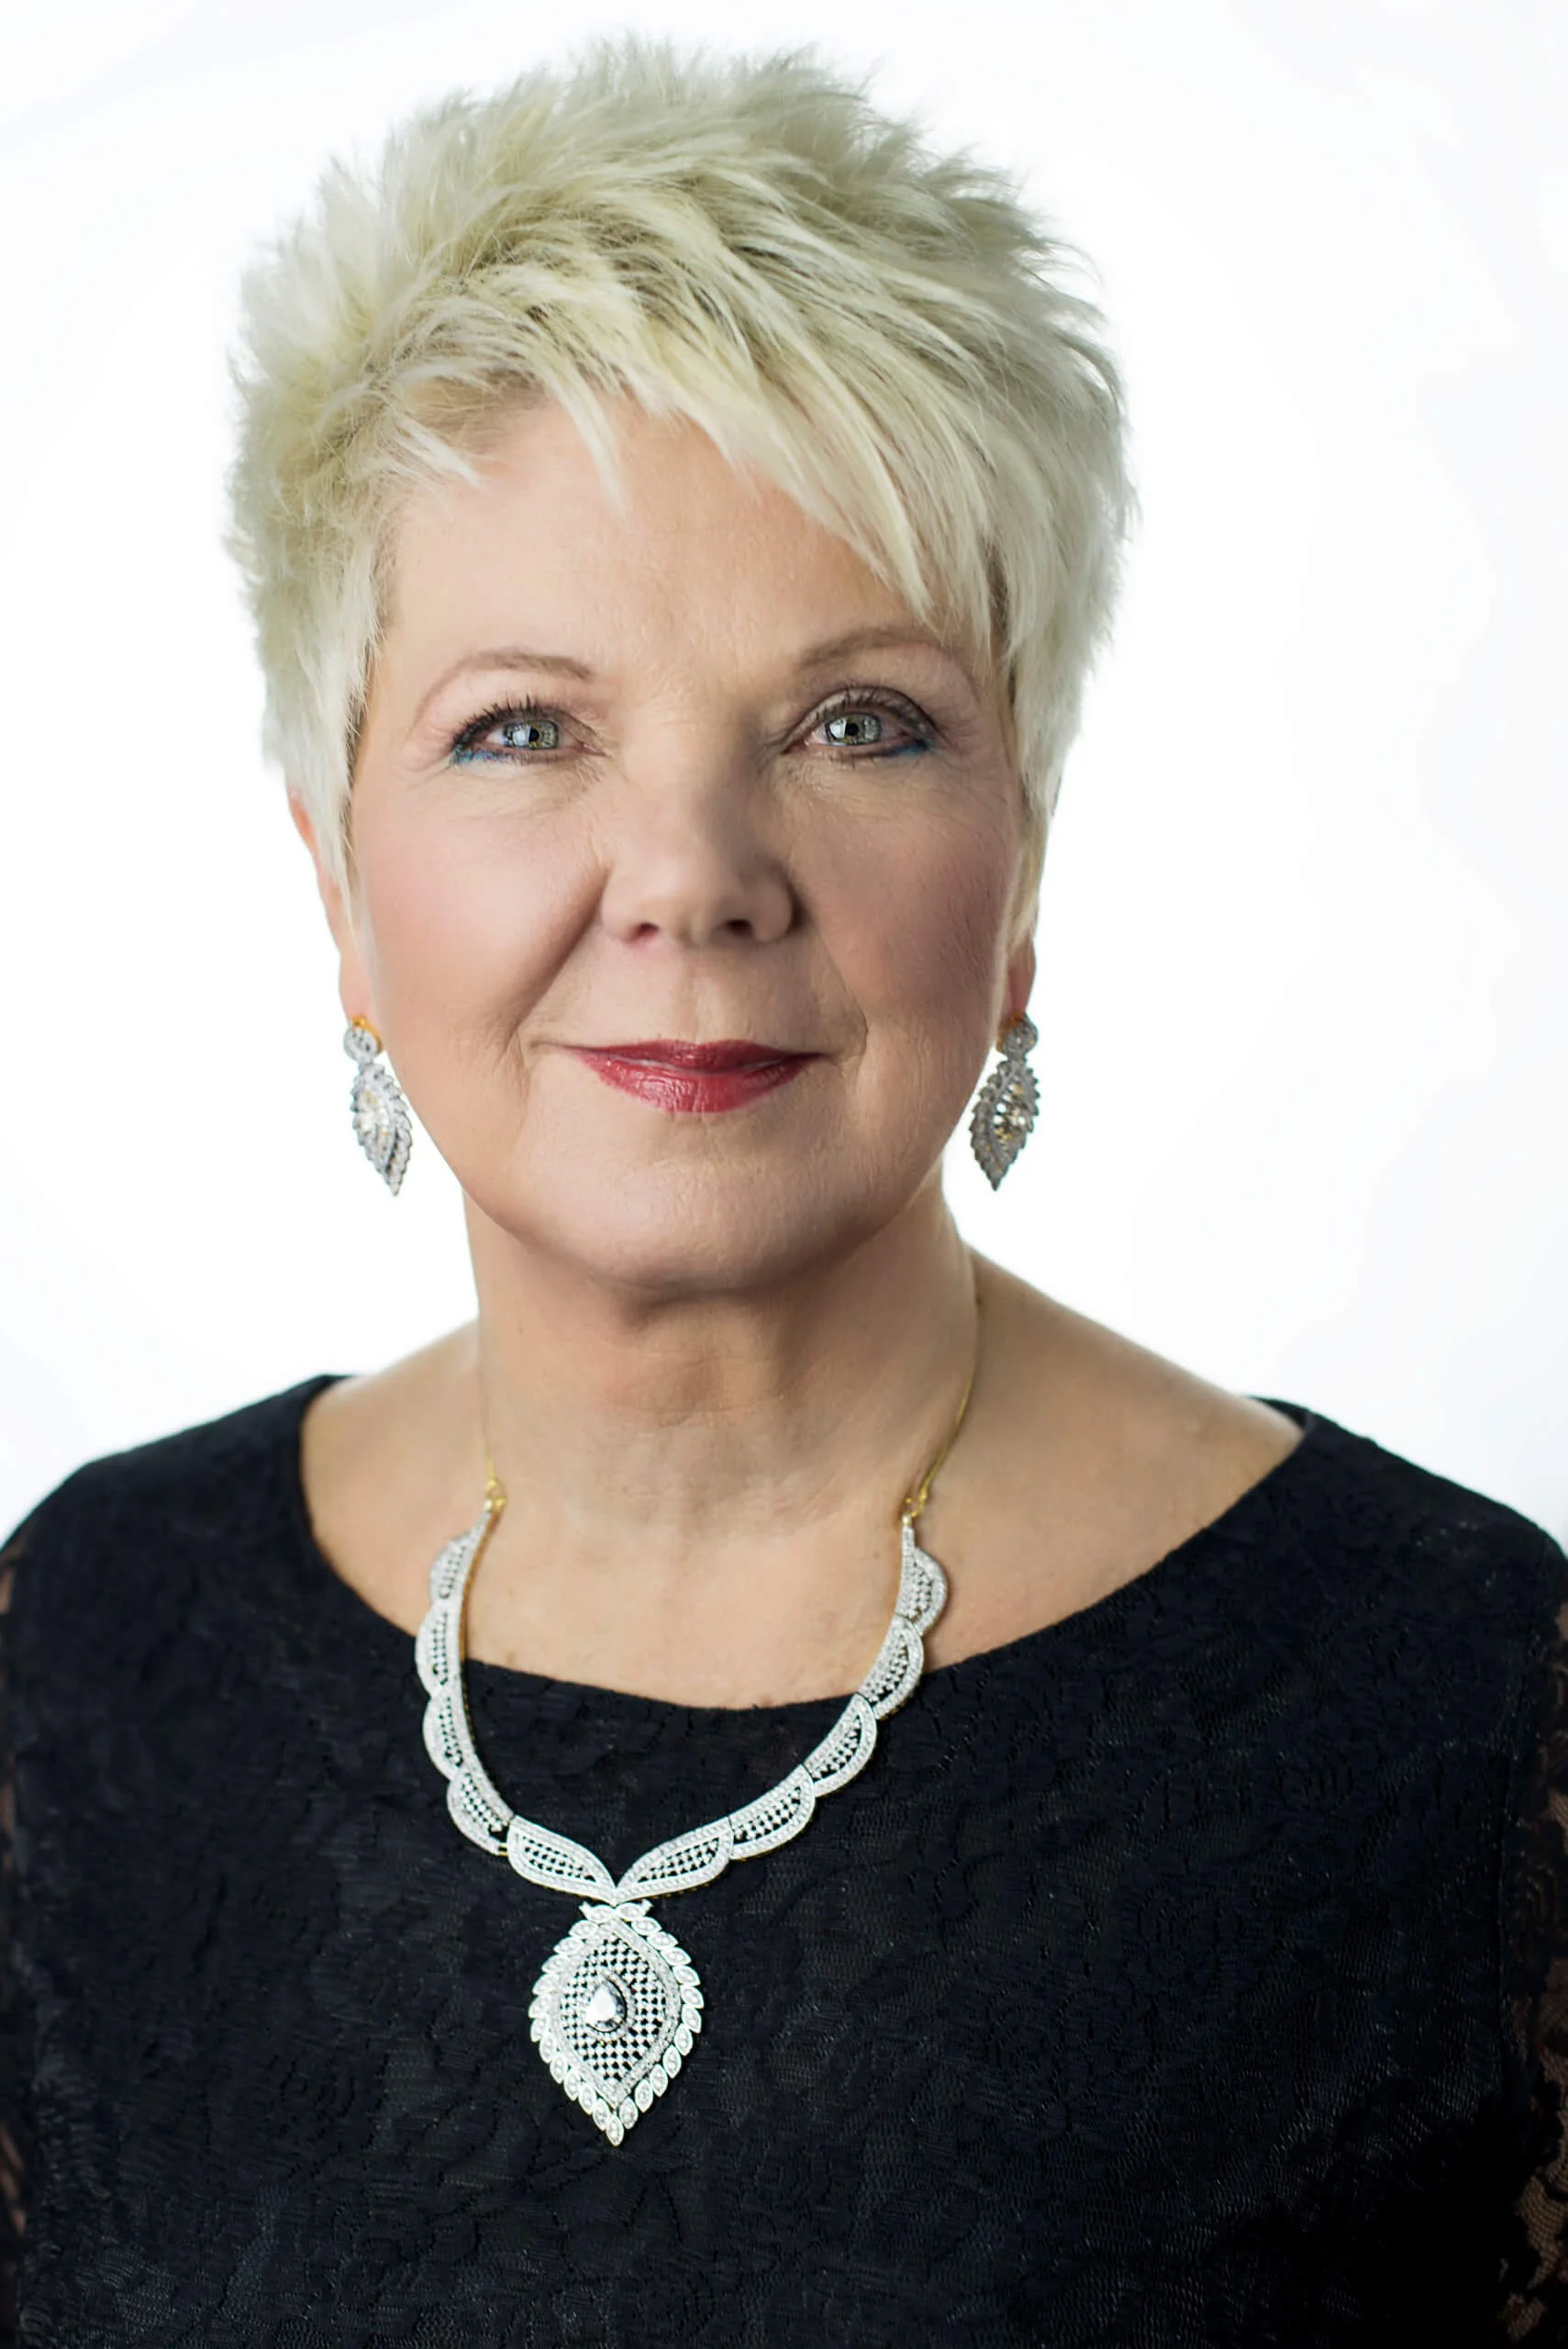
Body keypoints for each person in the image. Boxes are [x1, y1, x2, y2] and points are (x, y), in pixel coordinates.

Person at [1, 38, 1563, 2345]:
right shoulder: (81, 1650)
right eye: (524, 727)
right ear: (337, 882)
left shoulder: (1464, 1699)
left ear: (1017, 875)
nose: (693, 879)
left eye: (859, 723)